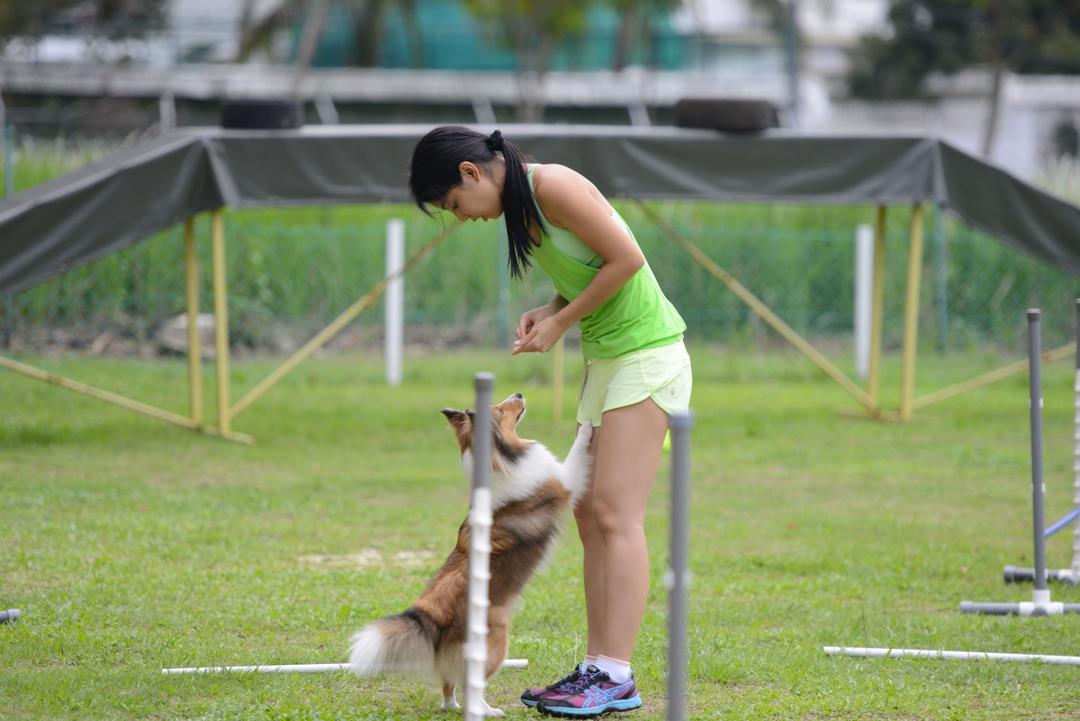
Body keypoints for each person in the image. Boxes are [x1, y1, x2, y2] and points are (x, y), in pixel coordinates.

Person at [409, 126, 691, 718]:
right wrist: (554, 306)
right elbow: (593, 272)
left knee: (616, 514)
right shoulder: (525, 210)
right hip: (610, 360)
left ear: (471, 172)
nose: (462, 218)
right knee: (589, 513)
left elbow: (628, 260)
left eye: (455, 206)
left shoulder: (551, 185)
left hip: (648, 355)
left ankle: (615, 673)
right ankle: (598, 666)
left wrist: (562, 325)